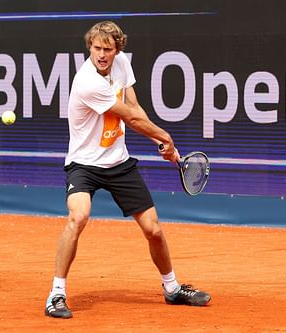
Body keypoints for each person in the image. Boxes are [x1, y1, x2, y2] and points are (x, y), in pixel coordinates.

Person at [45, 21, 210, 319]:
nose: (102, 55)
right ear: (89, 48)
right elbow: (130, 120)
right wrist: (165, 137)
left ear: (118, 49)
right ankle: (56, 294)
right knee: (78, 216)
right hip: (84, 164)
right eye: (96, 48)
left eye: (108, 49)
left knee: (154, 229)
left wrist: (160, 144)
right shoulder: (87, 82)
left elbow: (134, 106)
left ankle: (172, 289)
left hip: (118, 162)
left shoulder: (121, 63)